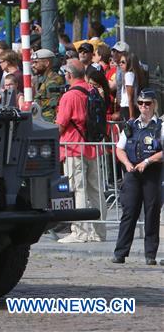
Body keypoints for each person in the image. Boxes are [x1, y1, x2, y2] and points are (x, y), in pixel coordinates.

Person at [55, 60, 106, 243]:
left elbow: (60, 125)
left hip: (73, 147)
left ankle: (80, 232)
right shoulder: (92, 90)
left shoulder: (69, 96)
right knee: (95, 189)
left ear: (69, 74)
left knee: (79, 189)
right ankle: (99, 232)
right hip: (92, 145)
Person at [111, 88, 162, 265]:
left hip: (152, 173)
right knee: (129, 212)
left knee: (152, 212)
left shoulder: (161, 126)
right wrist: (126, 163)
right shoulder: (131, 125)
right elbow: (119, 148)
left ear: (154, 105)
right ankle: (120, 252)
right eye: (140, 103)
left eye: (147, 103)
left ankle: (150, 254)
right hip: (133, 172)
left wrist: (147, 162)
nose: (143, 107)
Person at [32, 48, 64, 123]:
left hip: (48, 121)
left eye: (36, 62)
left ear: (46, 63)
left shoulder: (53, 81)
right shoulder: (44, 79)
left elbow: (53, 105)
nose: (33, 65)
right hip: (41, 120)